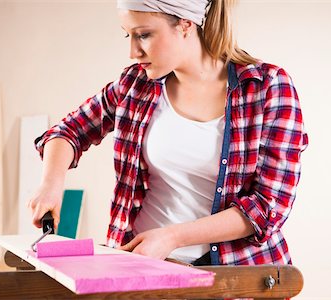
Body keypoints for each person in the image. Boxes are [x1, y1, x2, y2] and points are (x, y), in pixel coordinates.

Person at [29, 0, 308, 266]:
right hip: (140, 270)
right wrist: (51, 185)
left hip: (232, 277)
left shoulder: (266, 88)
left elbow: (266, 209)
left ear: (186, 25)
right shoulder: (135, 85)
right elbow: (68, 132)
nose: (133, 52)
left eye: (144, 35)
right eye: (128, 36)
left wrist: (172, 237)